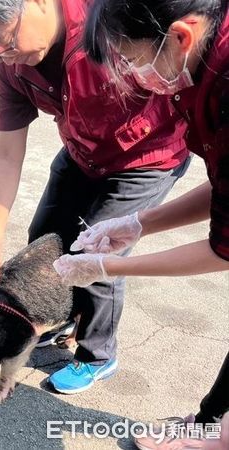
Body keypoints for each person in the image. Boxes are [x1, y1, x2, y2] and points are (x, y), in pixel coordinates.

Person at [0, 0, 192, 394]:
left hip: (146, 156)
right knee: (45, 236)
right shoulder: (14, 67)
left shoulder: (109, 23)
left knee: (96, 254)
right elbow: (6, 154)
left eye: (7, 41)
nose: (5, 57)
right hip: (83, 153)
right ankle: (61, 314)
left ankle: (98, 354)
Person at [53, 0, 229, 448]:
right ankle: (208, 423)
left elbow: (224, 248)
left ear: (180, 36)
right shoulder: (208, 64)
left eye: (132, 60)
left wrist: (109, 267)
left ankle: (213, 438)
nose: (132, 75)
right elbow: (225, 188)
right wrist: (138, 222)